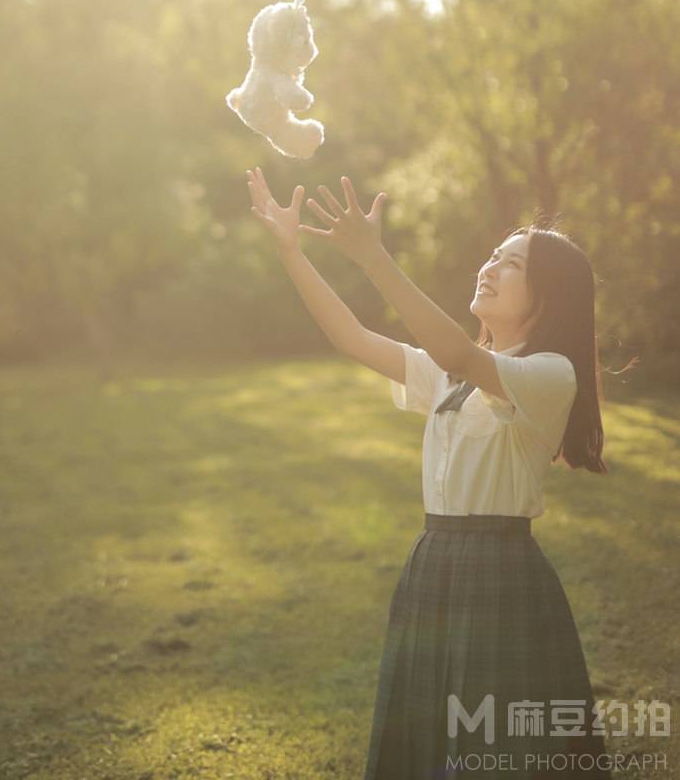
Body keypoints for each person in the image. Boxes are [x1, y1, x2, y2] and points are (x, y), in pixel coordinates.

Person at [245, 166, 612, 779]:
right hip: (434, 561)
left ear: (548, 295)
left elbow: (459, 352)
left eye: (511, 264)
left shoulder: (549, 374)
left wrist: (374, 258)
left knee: (495, 751)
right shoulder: (452, 373)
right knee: (429, 746)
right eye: (492, 255)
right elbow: (353, 337)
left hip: (501, 572)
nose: (488, 267)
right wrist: (290, 250)